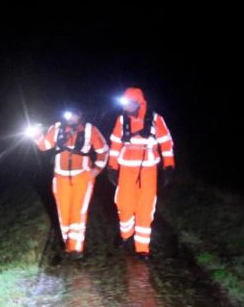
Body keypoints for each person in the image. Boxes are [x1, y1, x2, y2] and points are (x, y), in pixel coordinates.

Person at [107, 87, 175, 260]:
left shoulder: (155, 119)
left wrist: (169, 166)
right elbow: (115, 144)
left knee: (146, 207)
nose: (126, 107)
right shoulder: (121, 120)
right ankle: (125, 235)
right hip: (126, 168)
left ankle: (142, 248)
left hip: (148, 169)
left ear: (138, 103)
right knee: (124, 205)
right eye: (125, 103)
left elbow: (166, 143)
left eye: (129, 103)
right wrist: (112, 167)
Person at [33, 108, 109, 259]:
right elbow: (44, 146)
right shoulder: (56, 128)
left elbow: (103, 150)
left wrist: (97, 169)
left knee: (78, 212)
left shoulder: (90, 130)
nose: (71, 117)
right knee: (64, 213)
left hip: (82, 177)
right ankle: (69, 244)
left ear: (80, 115)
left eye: (74, 114)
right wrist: (36, 136)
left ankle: (76, 247)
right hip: (60, 178)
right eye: (68, 114)